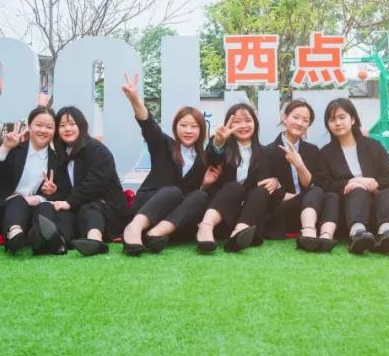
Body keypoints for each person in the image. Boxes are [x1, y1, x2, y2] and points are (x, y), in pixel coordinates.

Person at [116, 73, 217, 256]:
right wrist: (135, 100)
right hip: (148, 207)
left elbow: (190, 196)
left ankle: (154, 235)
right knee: (173, 191)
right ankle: (133, 229)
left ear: (201, 130)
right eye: (183, 125)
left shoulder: (204, 158)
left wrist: (205, 185)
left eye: (194, 126)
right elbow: (148, 124)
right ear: (176, 127)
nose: (188, 130)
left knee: (200, 196)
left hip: (170, 220)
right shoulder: (163, 145)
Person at [159, 103, 278, 254]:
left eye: (248, 120)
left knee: (261, 190)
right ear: (229, 124)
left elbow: (264, 185)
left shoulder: (265, 153)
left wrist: (275, 182)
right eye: (237, 121)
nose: (243, 125)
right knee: (234, 187)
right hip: (218, 213)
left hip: (245, 216)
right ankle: (205, 227)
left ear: (255, 123)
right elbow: (211, 158)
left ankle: (238, 234)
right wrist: (219, 142)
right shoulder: (220, 144)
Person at [0, 105, 65, 255]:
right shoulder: (14, 150)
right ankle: (14, 235)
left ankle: (43, 239)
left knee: (46, 206)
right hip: (3, 213)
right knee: (18, 200)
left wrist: (43, 196)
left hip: (33, 215)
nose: (43, 130)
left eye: (49, 127)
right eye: (38, 125)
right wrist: (5, 147)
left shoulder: (57, 160)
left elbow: (62, 193)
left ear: (54, 131)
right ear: (29, 126)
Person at [317, 98, 389, 255]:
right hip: (348, 211)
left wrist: (375, 184)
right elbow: (324, 184)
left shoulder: (374, 146)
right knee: (358, 191)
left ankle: (386, 233)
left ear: (353, 119)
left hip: (378, 207)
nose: (337, 123)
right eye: (332, 119)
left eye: (342, 117)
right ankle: (357, 234)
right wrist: (350, 183)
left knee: (388, 193)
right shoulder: (325, 153)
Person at [50, 105, 133, 257]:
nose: (67, 129)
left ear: (81, 126)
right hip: (79, 209)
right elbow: (67, 191)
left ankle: (95, 241)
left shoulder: (97, 150)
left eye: (72, 124)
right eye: (62, 125)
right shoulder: (62, 155)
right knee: (62, 213)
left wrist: (70, 202)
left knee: (90, 207)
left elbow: (95, 183)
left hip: (108, 210)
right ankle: (59, 242)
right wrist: (55, 191)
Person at [264, 99, 340, 253]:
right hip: (284, 213)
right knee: (315, 190)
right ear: (285, 118)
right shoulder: (268, 152)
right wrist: (300, 196)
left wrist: (300, 165)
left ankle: (326, 236)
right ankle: (308, 232)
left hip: (310, 209)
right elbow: (268, 191)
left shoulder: (313, 150)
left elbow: (317, 184)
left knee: (331, 195)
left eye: (305, 120)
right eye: (296, 117)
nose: (300, 123)